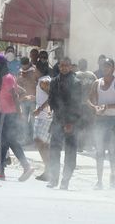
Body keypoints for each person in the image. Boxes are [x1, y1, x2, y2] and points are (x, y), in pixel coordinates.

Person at [0, 53, 34, 181]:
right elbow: (3, 96)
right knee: (11, 142)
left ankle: (0, 171)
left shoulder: (7, 78)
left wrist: (20, 114)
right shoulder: (4, 77)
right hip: (6, 113)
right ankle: (26, 167)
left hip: (7, 115)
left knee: (1, 142)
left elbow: (14, 96)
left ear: (0, 65)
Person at [47, 57, 82, 190]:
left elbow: (76, 104)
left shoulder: (76, 82)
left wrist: (70, 122)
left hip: (71, 121)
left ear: (70, 67)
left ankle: (65, 180)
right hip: (57, 120)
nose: (64, 68)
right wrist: (54, 111)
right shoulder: (54, 81)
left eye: (66, 66)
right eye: (62, 65)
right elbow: (51, 99)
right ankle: (54, 179)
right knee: (54, 149)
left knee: (70, 151)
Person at [88, 58, 115, 190]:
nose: (105, 68)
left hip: (113, 120)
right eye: (103, 66)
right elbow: (90, 99)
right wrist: (94, 107)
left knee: (112, 151)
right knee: (99, 151)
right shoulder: (96, 83)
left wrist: (107, 106)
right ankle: (99, 180)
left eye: (108, 66)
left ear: (113, 68)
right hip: (100, 120)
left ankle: (113, 178)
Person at [32, 61, 52, 181]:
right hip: (44, 116)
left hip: (45, 116)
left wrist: (40, 109)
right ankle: (49, 170)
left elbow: (52, 97)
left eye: (34, 69)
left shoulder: (43, 81)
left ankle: (49, 170)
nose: (33, 72)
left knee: (40, 142)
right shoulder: (44, 80)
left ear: (38, 70)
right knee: (42, 143)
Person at [75, 59, 97, 152]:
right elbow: (97, 87)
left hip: (78, 104)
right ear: (86, 65)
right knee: (89, 125)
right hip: (90, 105)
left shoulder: (75, 75)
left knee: (79, 126)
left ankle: (80, 146)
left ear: (79, 65)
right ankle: (89, 145)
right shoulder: (92, 75)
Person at [17, 57, 37, 145]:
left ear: (29, 63)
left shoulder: (35, 70)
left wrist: (29, 78)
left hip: (33, 99)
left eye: (26, 65)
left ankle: (34, 140)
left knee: (33, 121)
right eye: (23, 65)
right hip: (23, 99)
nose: (24, 67)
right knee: (24, 121)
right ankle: (26, 139)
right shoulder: (20, 71)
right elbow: (17, 83)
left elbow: (38, 84)